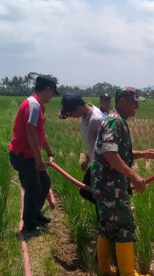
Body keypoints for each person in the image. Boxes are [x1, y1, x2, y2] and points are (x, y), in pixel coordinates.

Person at [90, 87, 154, 276]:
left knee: (107, 225)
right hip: (111, 185)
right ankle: (128, 274)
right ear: (121, 101)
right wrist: (134, 176)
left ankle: (105, 271)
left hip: (106, 183)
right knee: (125, 224)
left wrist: (143, 154)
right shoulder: (114, 122)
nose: (137, 105)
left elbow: (117, 152)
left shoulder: (115, 121)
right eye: (134, 101)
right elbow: (110, 155)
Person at [8, 74, 59, 234]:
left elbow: (40, 133)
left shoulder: (36, 105)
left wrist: (50, 152)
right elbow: (30, 131)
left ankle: (35, 214)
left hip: (29, 153)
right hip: (23, 154)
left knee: (44, 182)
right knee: (33, 188)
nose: (52, 96)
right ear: (48, 89)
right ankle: (29, 224)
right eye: (53, 92)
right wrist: (38, 159)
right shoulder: (33, 105)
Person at [58, 92, 105, 204]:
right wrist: (87, 159)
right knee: (88, 193)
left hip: (103, 167)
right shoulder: (84, 116)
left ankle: (115, 209)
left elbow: (106, 145)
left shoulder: (97, 119)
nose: (70, 116)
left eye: (70, 113)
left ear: (78, 108)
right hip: (95, 163)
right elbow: (95, 143)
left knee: (93, 194)